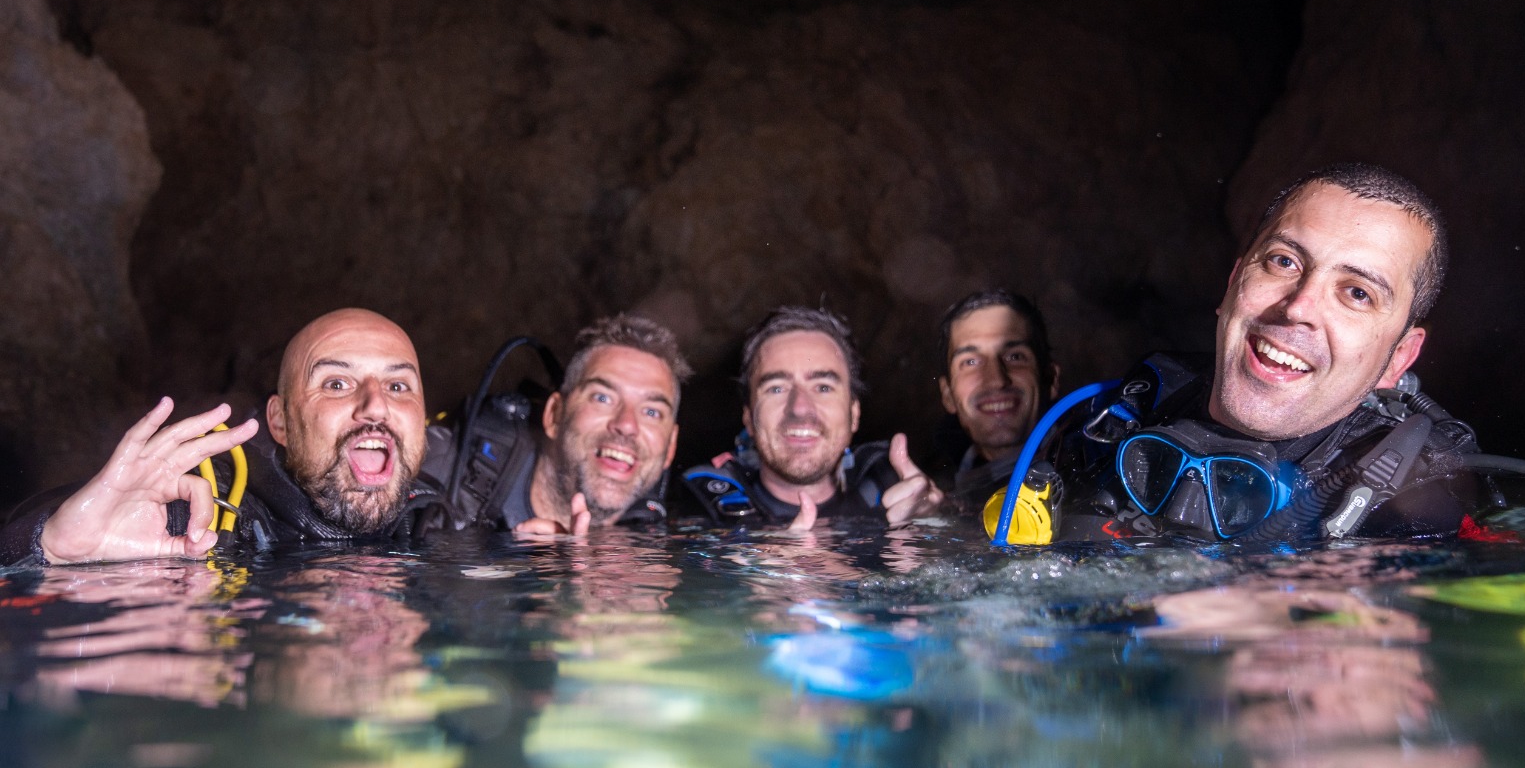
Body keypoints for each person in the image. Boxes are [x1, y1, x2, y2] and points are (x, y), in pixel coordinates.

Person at [986, 162, 1525, 545]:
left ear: (1399, 358)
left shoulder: (1417, 500)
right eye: (1283, 262)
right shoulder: (1139, 401)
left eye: (1356, 293)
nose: (1298, 307)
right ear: (1232, 282)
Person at [0, 307, 444, 565]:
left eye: (398, 386)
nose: (376, 405)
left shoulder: (444, 513)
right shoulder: (200, 517)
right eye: (336, 384)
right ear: (280, 421)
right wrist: (48, 545)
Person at [682, 306, 943, 529]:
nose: (800, 408)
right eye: (776, 388)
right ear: (749, 418)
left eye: (823, 387)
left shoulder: (890, 485)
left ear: (854, 414)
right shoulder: (699, 508)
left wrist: (935, 525)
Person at [428, 314, 689, 536]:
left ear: (671, 447)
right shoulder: (440, 471)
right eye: (603, 398)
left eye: (652, 412)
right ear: (554, 414)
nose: (627, 425)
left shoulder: (669, 526)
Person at [936, 290, 1060, 509]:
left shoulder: (1095, 474)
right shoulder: (938, 489)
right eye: (970, 362)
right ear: (948, 395)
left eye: (1015, 356)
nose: (995, 380)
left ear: (1050, 379)